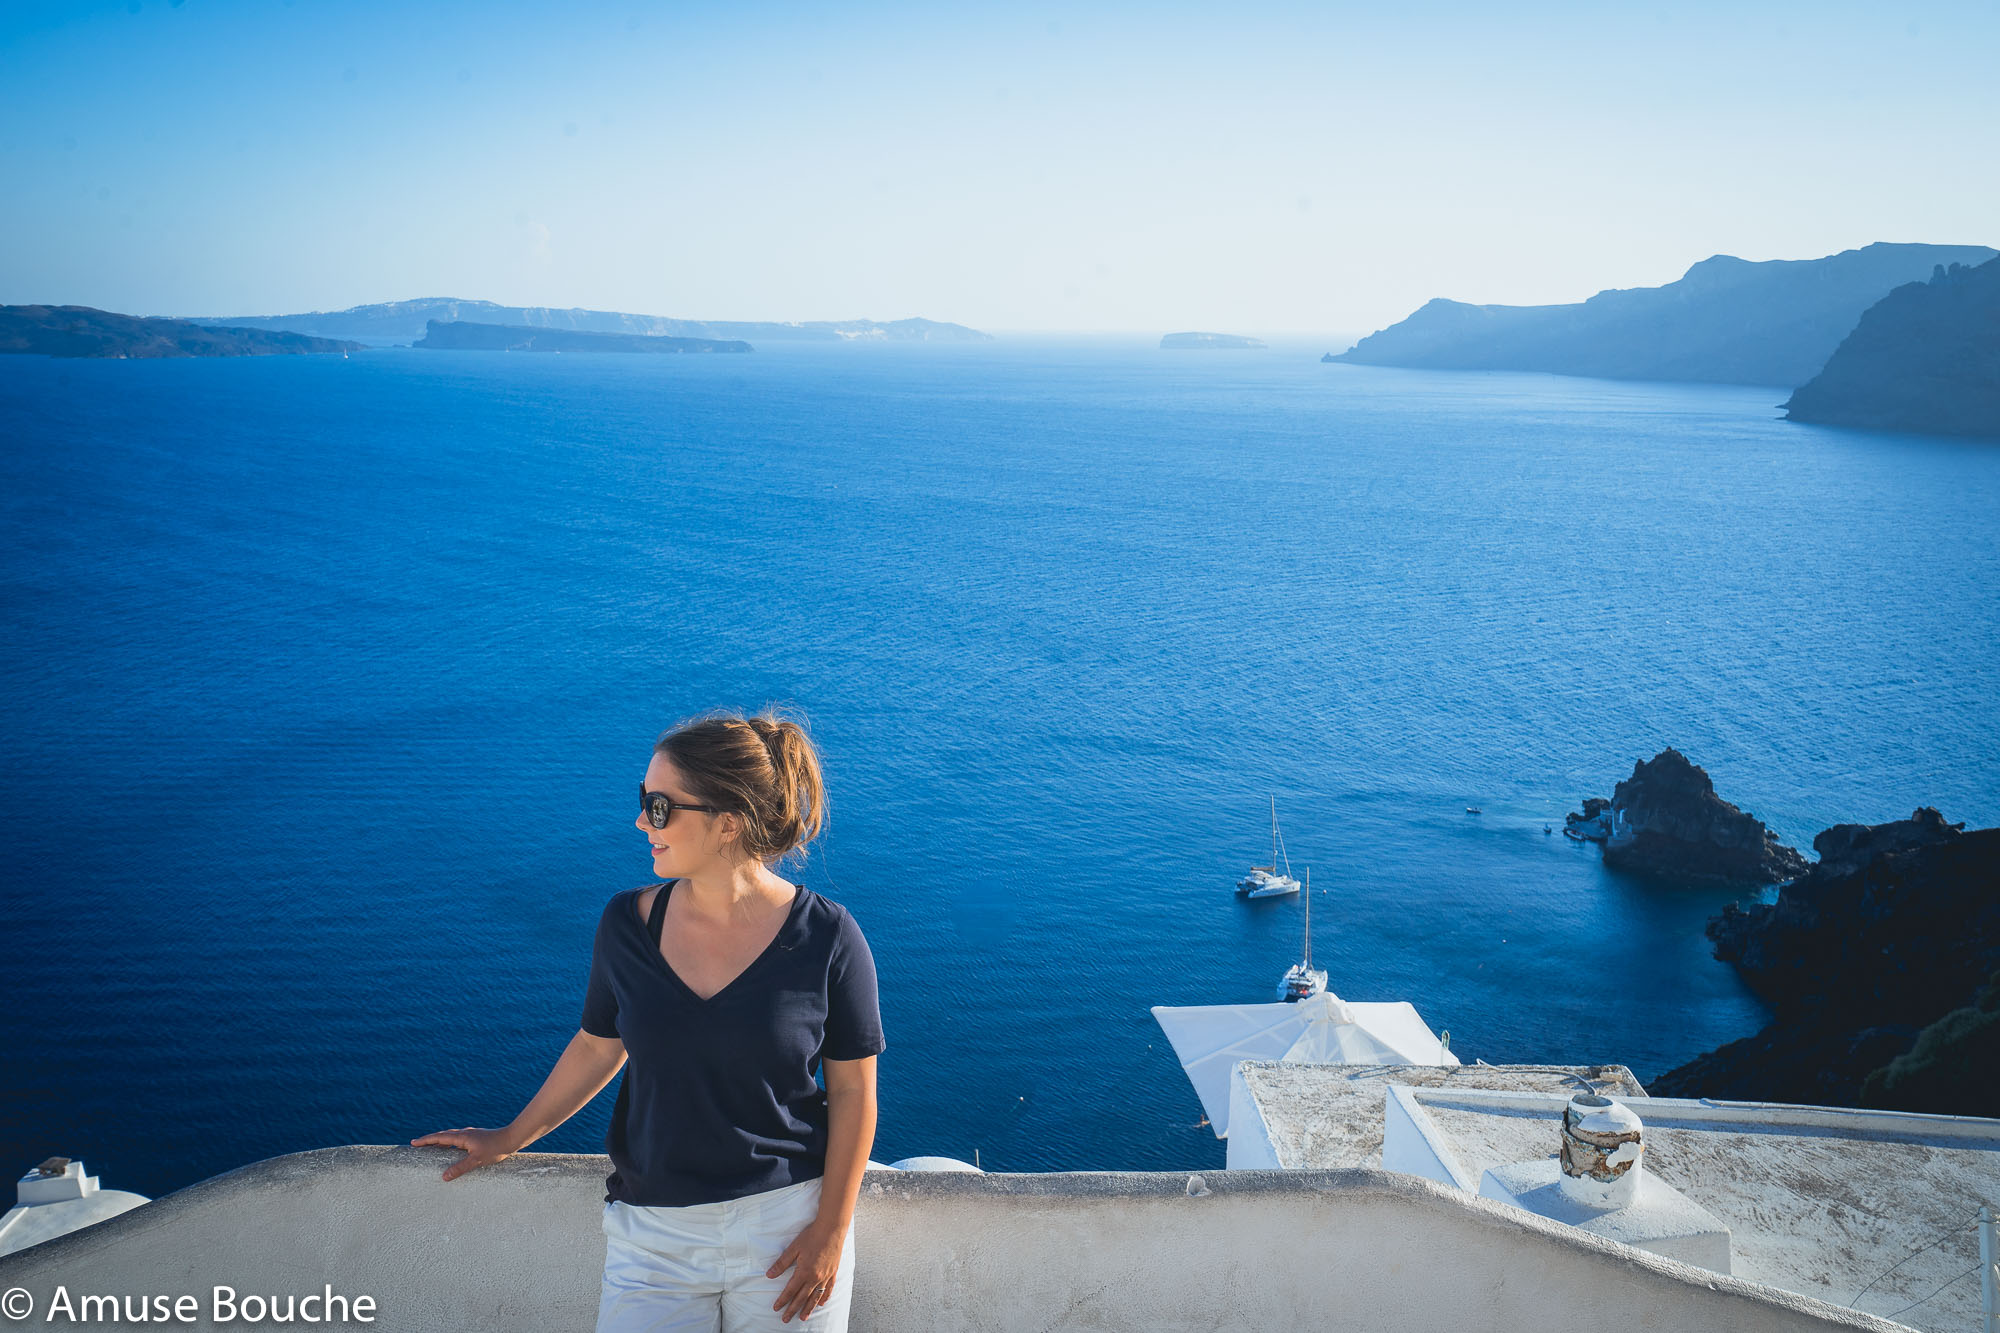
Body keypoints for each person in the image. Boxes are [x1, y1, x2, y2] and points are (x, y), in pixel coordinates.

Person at [412, 709, 886, 1331]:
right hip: (653, 1236)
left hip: (788, 1228)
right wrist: (509, 1137)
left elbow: (852, 1091)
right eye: (643, 801)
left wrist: (830, 1230)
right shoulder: (626, 926)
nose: (641, 821)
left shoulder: (829, 937)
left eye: (660, 807)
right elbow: (596, 1046)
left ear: (728, 823)